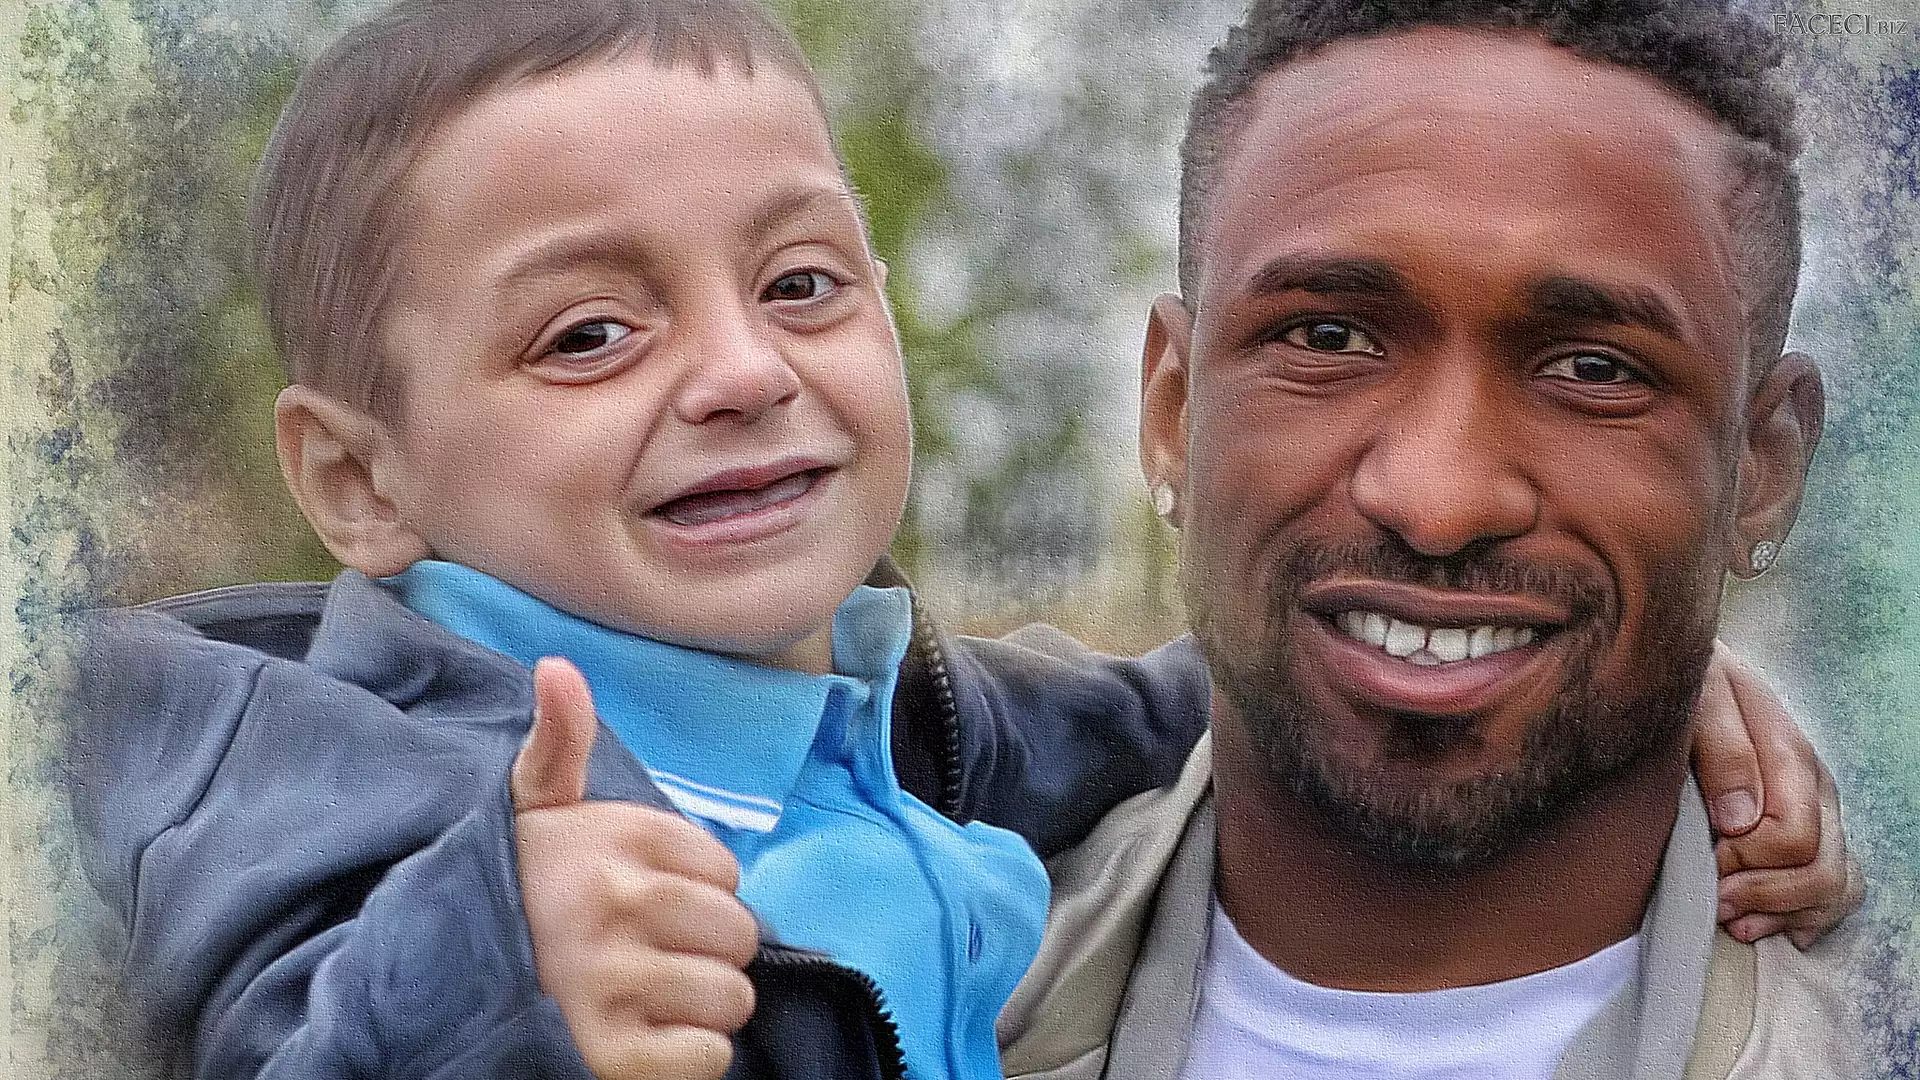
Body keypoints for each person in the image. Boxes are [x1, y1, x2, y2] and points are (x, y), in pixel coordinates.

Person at [65, 1, 1854, 1079]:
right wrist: (480, 990)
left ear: (1760, 468)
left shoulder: (901, 732)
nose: (744, 372)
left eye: (800, 284)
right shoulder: (339, 792)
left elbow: (1168, 703)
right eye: (591, 334)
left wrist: (1615, 659)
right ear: (358, 482)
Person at [995, 2, 1873, 1079]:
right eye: (1329, 337)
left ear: (1763, 471)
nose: (1438, 502)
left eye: (1592, 369)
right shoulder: (875, 982)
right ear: (1173, 412)